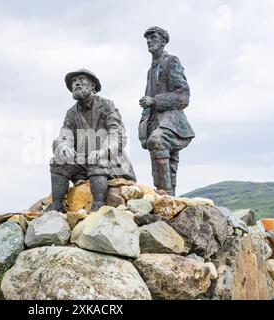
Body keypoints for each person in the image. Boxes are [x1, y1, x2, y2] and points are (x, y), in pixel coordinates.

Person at [46, 69, 136, 212]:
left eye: (81, 79)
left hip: (110, 161)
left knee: (97, 159)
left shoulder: (107, 105)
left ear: (93, 85)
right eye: (73, 82)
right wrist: (63, 147)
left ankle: (98, 205)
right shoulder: (71, 113)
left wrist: (103, 151)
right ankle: (56, 206)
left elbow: (117, 134)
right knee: (58, 161)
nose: (76, 83)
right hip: (84, 164)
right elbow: (64, 136)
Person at [138, 26, 195, 196]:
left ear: (163, 40)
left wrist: (155, 101)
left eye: (153, 37)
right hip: (155, 122)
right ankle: (169, 197)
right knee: (169, 162)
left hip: (173, 122)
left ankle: (165, 196)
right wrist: (143, 130)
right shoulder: (150, 70)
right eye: (147, 38)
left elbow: (183, 96)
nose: (149, 41)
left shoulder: (172, 61)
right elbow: (147, 102)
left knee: (157, 141)